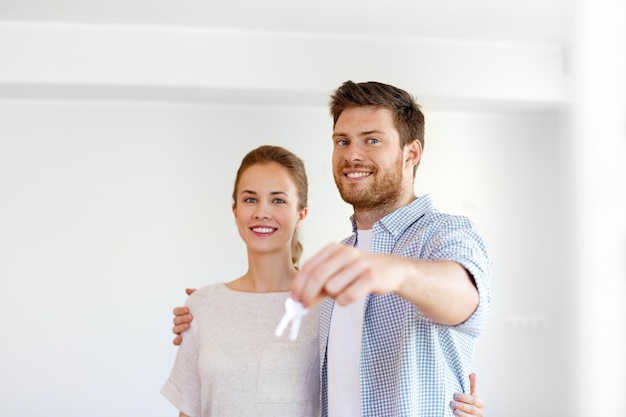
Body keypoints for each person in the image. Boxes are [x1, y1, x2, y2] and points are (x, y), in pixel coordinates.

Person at [172, 80, 491, 416]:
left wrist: (392, 270)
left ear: (410, 153)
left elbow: (466, 298)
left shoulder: (445, 233)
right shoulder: (342, 258)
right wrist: (213, 309)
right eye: (343, 141)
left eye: (372, 140)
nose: (352, 154)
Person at [161, 145, 320, 416]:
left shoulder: (326, 307)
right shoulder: (202, 306)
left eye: (278, 200)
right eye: (250, 199)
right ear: (235, 211)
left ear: (300, 214)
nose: (261, 212)